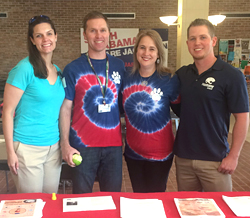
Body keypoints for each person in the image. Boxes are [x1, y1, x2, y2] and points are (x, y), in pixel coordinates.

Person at [174, 18, 249, 192]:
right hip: (184, 160)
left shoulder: (232, 76)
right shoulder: (182, 75)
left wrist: (234, 156)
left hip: (215, 161)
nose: (197, 43)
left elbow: (242, 118)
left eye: (203, 37)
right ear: (187, 43)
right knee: (187, 210)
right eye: (192, 39)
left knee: (219, 210)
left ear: (213, 41)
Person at [59, 11, 126, 194]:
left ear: (109, 34)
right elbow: (65, 109)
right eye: (93, 31)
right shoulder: (73, 69)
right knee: (81, 200)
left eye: (103, 30)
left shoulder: (119, 66)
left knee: (113, 199)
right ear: (85, 35)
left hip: (113, 146)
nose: (98, 35)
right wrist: (65, 143)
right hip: (82, 146)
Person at [2, 15, 65, 193]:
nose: (45, 39)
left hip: (53, 148)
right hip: (27, 148)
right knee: (32, 205)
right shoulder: (24, 69)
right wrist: (10, 152)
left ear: (56, 36)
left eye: (49, 34)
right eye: (39, 36)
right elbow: (7, 112)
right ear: (32, 40)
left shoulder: (58, 70)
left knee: (50, 201)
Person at [121, 29, 180, 193]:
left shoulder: (169, 79)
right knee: (138, 201)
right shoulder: (126, 77)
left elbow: (180, 109)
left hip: (161, 154)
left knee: (156, 200)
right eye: (142, 48)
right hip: (133, 153)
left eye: (152, 49)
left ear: (159, 53)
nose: (146, 53)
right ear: (136, 51)